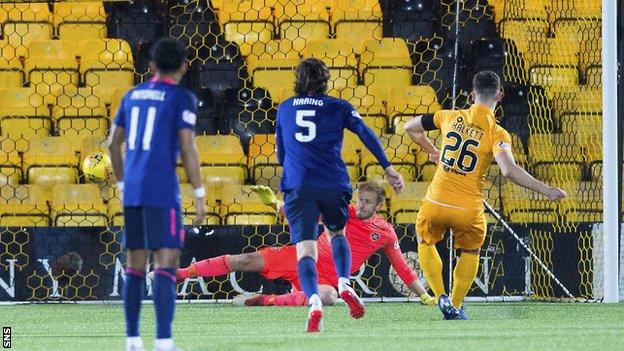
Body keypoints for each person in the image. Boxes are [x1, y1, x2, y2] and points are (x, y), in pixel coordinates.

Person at [404, 71, 567, 320]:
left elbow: (410, 128)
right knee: (470, 253)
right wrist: (547, 190)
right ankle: (456, 306)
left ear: (471, 95)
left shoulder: (448, 116)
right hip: (468, 209)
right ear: (499, 95)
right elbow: (509, 171)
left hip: (436, 202)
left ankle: (440, 296)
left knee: (425, 241)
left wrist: (433, 151)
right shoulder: (497, 133)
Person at [274, 58, 405, 332]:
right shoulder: (339, 106)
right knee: (337, 234)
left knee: (305, 250)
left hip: (298, 185)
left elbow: (281, 155)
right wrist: (388, 168)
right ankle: (345, 282)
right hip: (333, 182)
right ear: (325, 81)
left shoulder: (284, 109)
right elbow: (365, 132)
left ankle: (313, 302)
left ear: (298, 80)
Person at [176, 182, 435, 308]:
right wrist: (277, 205)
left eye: (368, 202)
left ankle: (265, 300)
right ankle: (181, 274)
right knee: (243, 261)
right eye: (361, 199)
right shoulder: (343, 211)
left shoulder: (386, 233)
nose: (362, 205)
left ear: (380, 207)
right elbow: (306, 211)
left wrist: (422, 294)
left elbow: (401, 266)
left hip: (327, 278)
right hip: (301, 257)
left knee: (329, 297)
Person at [109, 38, 206, 351]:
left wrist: (123, 184)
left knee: (134, 263)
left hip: (133, 191)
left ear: (150, 66)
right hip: (162, 190)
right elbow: (188, 147)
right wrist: (199, 192)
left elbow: (113, 144)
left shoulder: (132, 95)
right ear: (184, 66)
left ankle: (132, 339)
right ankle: (164, 341)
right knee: (166, 262)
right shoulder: (181, 98)